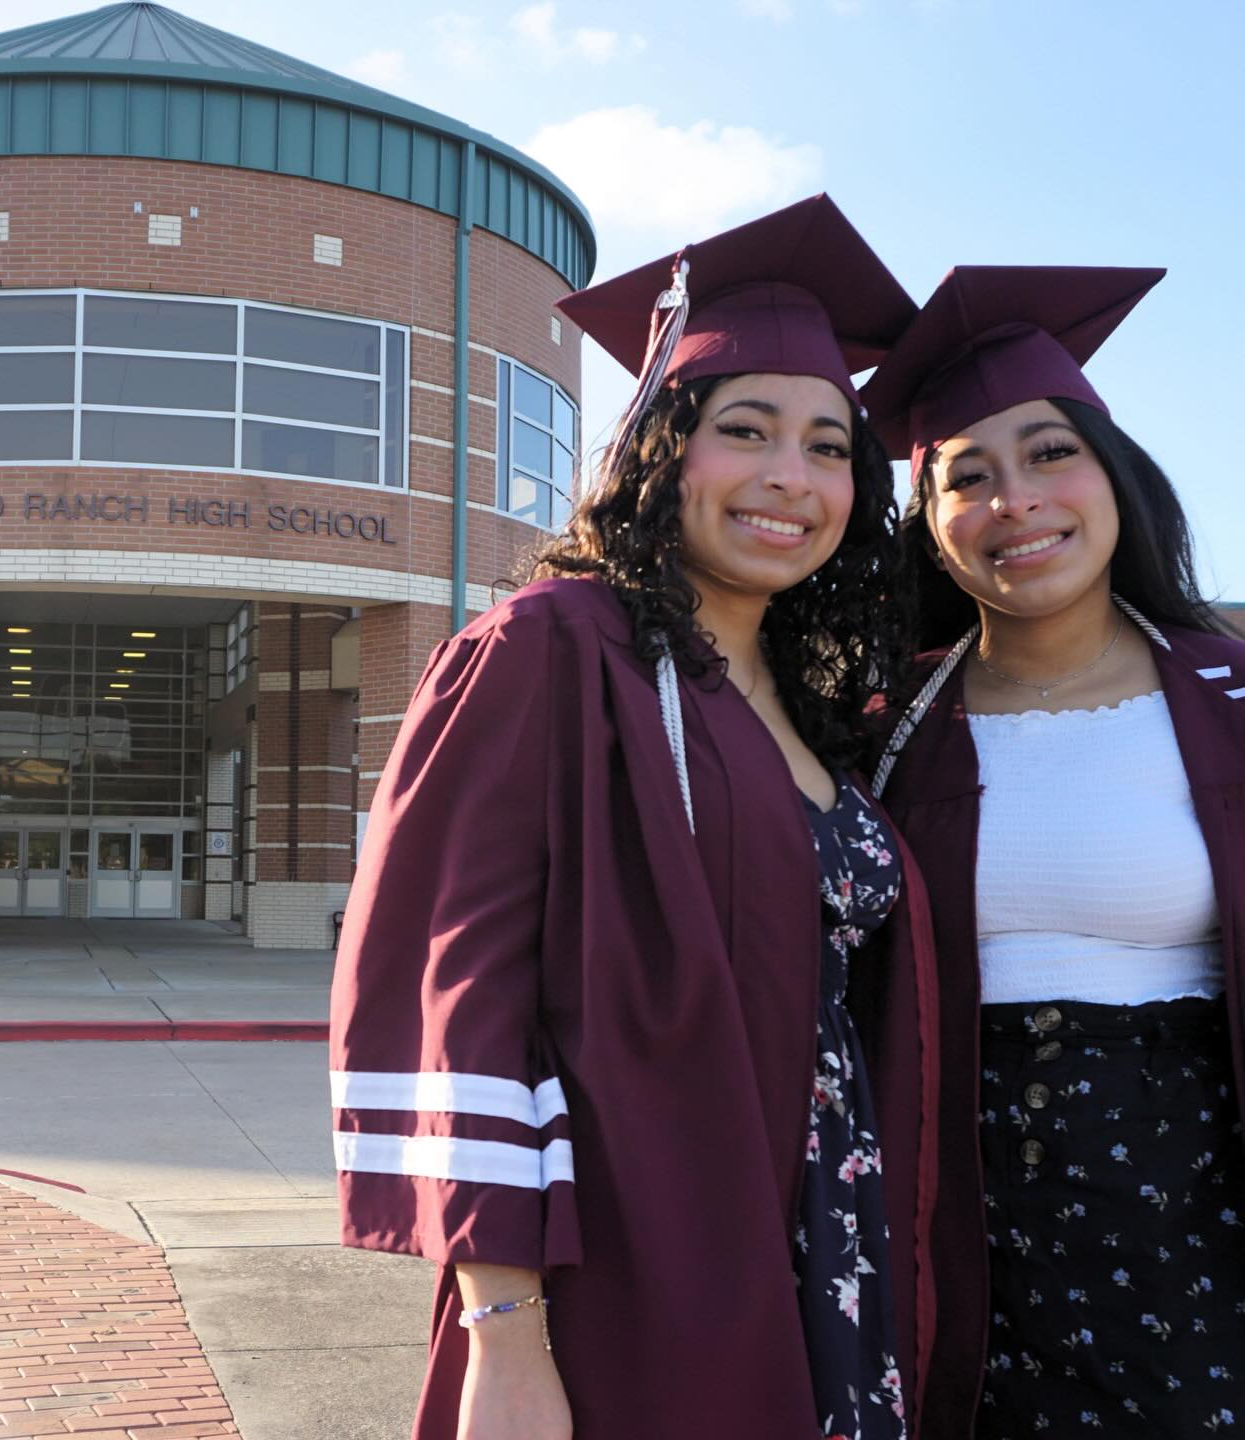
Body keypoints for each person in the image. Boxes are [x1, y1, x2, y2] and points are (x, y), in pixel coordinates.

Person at [329, 193, 941, 1440]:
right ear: (662, 449)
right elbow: (455, 984)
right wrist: (506, 1337)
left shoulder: (814, 702)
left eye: (830, 447)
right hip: (639, 1260)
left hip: (829, 1241)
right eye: (747, 429)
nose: (791, 477)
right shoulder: (553, 650)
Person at [863, 266, 1245, 1439]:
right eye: (966, 477)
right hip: (946, 1209)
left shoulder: (1231, 693)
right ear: (929, 525)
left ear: (1113, 473)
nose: (1014, 501)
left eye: (1048, 455)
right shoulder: (877, 731)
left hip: (1190, 1205)